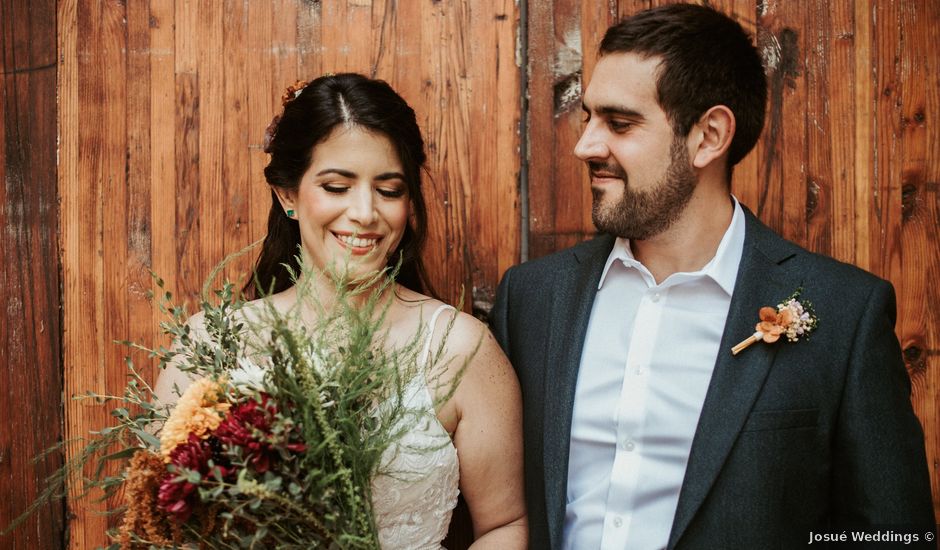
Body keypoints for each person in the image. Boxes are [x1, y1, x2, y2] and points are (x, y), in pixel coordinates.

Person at [490, 4, 934, 549]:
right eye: (588, 117)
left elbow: (891, 536)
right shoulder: (532, 299)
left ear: (709, 135)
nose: (586, 145)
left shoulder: (843, 315)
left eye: (620, 123)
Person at [155, 73, 527, 549]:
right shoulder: (211, 346)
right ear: (287, 195)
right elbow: (161, 527)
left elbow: (503, 526)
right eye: (337, 186)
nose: (366, 212)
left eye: (389, 190)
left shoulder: (461, 348)